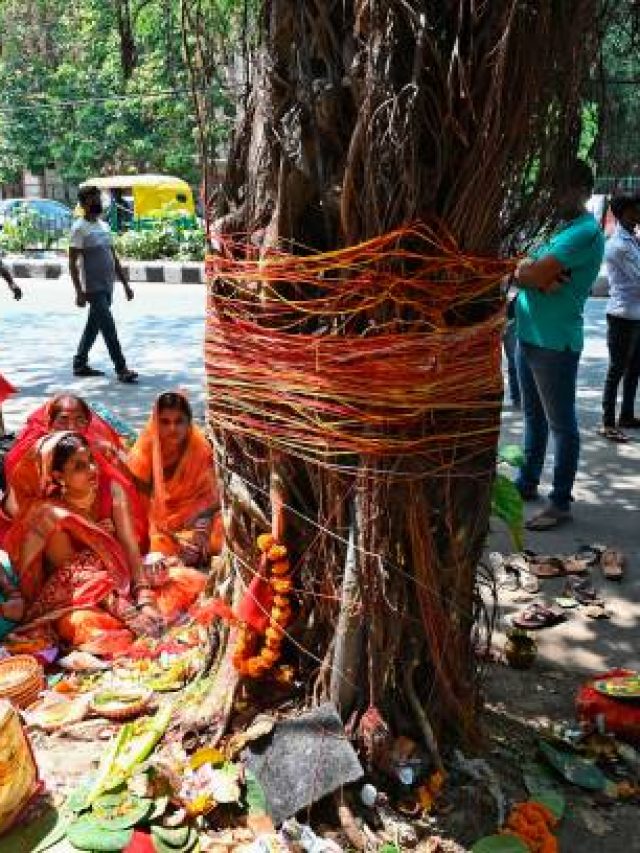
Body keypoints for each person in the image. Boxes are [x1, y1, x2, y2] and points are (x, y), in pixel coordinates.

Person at [4, 432, 205, 655]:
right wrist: (129, 613)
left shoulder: (111, 490)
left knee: (185, 580)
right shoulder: (50, 515)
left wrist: (144, 596)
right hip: (78, 599)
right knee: (83, 623)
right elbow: (76, 577)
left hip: (122, 579)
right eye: (79, 466)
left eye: (91, 460)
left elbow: (129, 546)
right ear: (58, 475)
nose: (92, 469)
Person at [514, 160, 605, 531]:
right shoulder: (559, 228)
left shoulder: (584, 232)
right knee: (533, 418)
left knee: (561, 425)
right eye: (555, 187)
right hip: (529, 335)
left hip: (554, 344)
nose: (557, 195)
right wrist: (530, 274)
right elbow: (522, 264)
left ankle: (560, 502)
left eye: (565, 188)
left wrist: (532, 274)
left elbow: (531, 272)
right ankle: (527, 481)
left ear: (584, 191)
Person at [1, 394, 148, 550]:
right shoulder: (30, 458)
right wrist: (82, 527)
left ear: (87, 425)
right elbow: (18, 512)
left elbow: (118, 505)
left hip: (92, 540)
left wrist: (106, 527)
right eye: (63, 420)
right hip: (45, 540)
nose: (71, 427)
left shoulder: (93, 454)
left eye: (80, 420)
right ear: (49, 423)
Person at [127, 392, 223, 566]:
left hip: (196, 517)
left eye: (179, 421)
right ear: (155, 423)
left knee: (226, 526)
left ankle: (196, 551)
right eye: (165, 422)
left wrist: (202, 529)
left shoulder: (200, 449)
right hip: (159, 524)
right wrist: (177, 542)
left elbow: (211, 499)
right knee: (151, 543)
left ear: (188, 423)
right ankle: (190, 553)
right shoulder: (143, 453)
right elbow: (140, 507)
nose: (173, 428)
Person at [69, 185, 138, 383]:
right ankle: (121, 368)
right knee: (108, 327)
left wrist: (125, 285)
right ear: (83, 204)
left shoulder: (104, 225)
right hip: (93, 287)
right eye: (92, 200)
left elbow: (113, 257)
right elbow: (72, 264)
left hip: (108, 285)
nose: (97, 203)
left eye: (98, 199)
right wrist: (79, 292)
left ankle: (80, 363)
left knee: (94, 325)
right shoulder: (79, 228)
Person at [599, 194, 640, 441]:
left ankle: (626, 415)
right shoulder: (619, 245)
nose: (638, 215)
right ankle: (607, 422)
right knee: (617, 369)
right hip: (622, 315)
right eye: (634, 211)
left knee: (634, 368)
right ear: (622, 214)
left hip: (635, 315)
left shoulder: (632, 240)